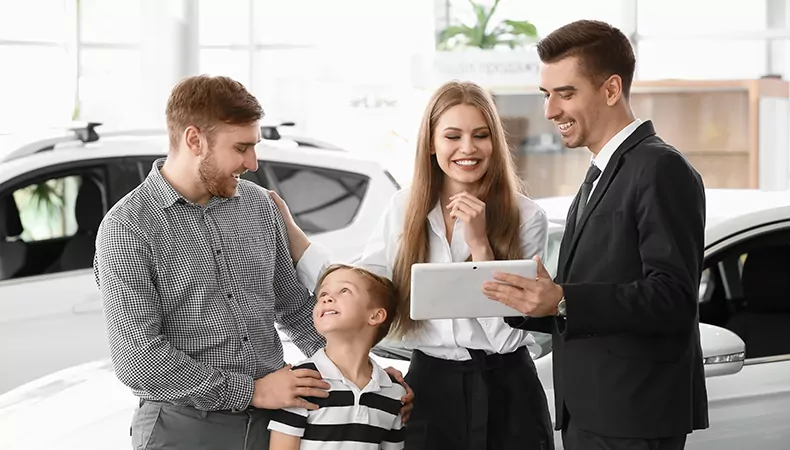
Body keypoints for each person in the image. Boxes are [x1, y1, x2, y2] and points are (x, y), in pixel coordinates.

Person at [93, 75, 412, 450]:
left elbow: (295, 309)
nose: (253, 162)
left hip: (271, 425)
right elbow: (139, 360)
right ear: (194, 140)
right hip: (183, 430)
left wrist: (362, 372)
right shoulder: (127, 227)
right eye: (241, 148)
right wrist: (251, 392)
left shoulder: (260, 206)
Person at [271, 80, 555, 450]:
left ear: (495, 143)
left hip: (508, 385)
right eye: (452, 136)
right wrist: (295, 237)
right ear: (432, 145)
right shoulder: (404, 210)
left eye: (480, 135)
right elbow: (364, 289)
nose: (467, 148)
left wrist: (480, 244)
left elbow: (507, 335)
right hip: (430, 384)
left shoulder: (527, 216)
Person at [482, 20, 709, 450]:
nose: (550, 111)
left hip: (633, 417)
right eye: (547, 95)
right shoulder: (601, 173)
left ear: (610, 90)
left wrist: (564, 298)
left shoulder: (660, 168)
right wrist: (530, 302)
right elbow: (592, 291)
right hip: (592, 412)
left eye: (566, 94)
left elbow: (673, 298)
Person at [268, 264, 406, 449]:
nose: (327, 299)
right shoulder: (300, 381)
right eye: (322, 294)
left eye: (344, 290)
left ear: (375, 315)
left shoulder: (394, 392)